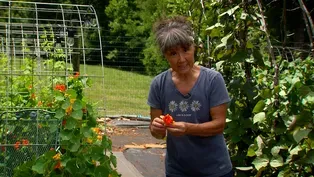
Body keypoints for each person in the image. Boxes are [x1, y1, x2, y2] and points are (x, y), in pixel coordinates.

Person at [147, 15, 233, 177]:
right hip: (178, 170)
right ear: (165, 55)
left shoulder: (213, 80)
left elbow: (219, 125)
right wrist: (156, 127)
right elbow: (158, 133)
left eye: (185, 50)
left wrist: (187, 128)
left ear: (194, 48)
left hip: (215, 170)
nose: (181, 59)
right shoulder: (158, 84)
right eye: (173, 53)